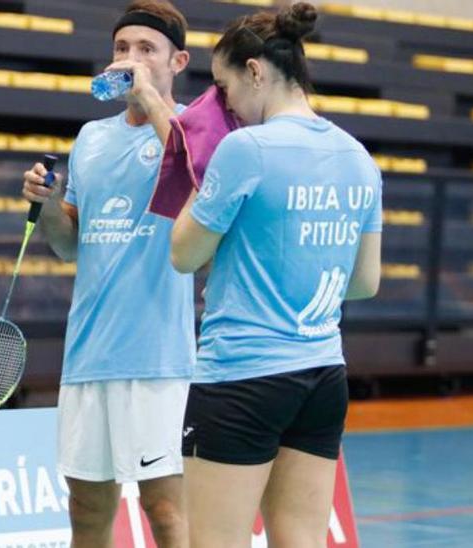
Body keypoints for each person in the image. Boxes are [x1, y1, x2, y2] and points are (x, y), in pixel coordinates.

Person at [168, 3, 382, 546]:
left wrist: (203, 155)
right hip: (322, 377)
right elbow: (364, 282)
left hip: (242, 378)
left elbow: (183, 254)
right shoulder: (358, 158)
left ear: (256, 72)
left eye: (223, 86)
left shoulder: (243, 150)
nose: (223, 101)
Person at [21, 1, 193, 545]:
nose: (130, 58)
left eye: (147, 49)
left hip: (158, 358)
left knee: (164, 511)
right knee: (87, 509)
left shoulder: (195, 128)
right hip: (89, 353)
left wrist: (150, 102)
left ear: (178, 61)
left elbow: (200, 186)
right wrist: (47, 203)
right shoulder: (92, 139)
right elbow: (69, 247)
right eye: (122, 48)